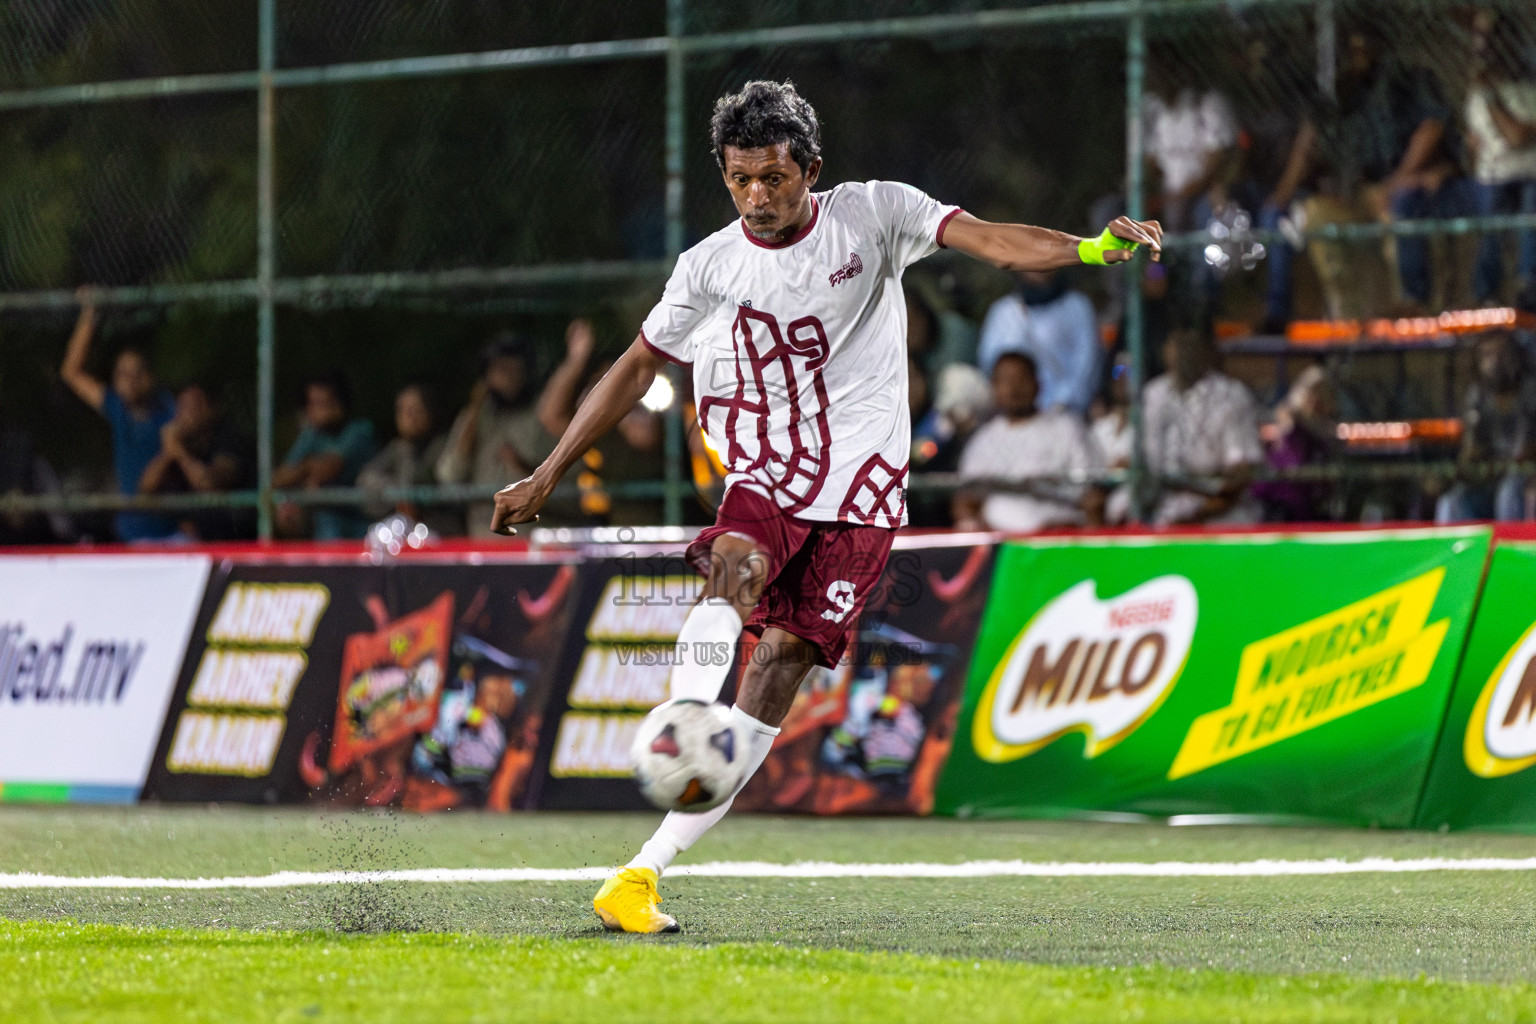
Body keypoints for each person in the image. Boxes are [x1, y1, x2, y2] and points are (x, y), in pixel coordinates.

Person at [488, 80, 1161, 933]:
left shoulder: (874, 214)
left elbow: (992, 242)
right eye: (739, 180)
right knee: (733, 569)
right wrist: (548, 472)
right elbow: (635, 365)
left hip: (863, 488)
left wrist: (1095, 249)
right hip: (768, 464)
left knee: (777, 671)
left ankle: (639, 875)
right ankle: (686, 713)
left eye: (774, 177)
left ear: (811, 167)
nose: (757, 197)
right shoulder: (708, 265)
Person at [1291, 26, 1462, 316]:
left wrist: (1394, 184)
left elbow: (1432, 128)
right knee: (1314, 212)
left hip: (1407, 186)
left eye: (1365, 48)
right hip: (1362, 193)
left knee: (1399, 206)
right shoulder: (1345, 95)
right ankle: (1346, 315)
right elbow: (1321, 148)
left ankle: (1408, 309)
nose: (1359, 58)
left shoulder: (1408, 80)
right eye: (1352, 51)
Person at [1110, 326, 1263, 526]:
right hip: (1161, 505)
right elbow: (1129, 461)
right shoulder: (1153, 394)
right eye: (1175, 343)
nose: (1181, 351)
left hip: (1217, 513)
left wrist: (1194, 501)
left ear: (1206, 350)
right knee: (1117, 507)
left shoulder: (1231, 395)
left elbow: (1239, 473)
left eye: (1188, 343)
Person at [58, 296, 178, 542]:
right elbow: (71, 372)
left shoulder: (169, 410)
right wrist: (90, 315)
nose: (130, 380)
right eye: (123, 374)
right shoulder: (117, 407)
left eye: (137, 373)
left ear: (150, 377)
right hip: (131, 534)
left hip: (172, 533)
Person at [951, 353, 1103, 532]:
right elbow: (966, 501)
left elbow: (1093, 493)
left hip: (1059, 536)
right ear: (994, 388)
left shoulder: (1067, 428)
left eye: (1021, 378)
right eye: (1005, 380)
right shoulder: (982, 441)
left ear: (1038, 384)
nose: (1014, 388)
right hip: (1000, 545)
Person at [437, 333, 557, 536]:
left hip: (531, 528)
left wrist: (522, 465)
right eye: (501, 370)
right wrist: (474, 408)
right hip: (483, 528)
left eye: (514, 370)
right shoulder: (475, 416)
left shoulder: (543, 414)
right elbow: (449, 476)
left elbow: (563, 481)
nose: (508, 377)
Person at [1465, 8, 1536, 307]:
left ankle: (1528, 285)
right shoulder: (1475, 95)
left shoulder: (1528, 92)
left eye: (1491, 37)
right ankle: (1486, 295)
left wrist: (1491, 98)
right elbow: (1475, 144)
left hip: (1529, 175)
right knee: (1490, 203)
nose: (1483, 46)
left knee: (1531, 206)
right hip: (1492, 180)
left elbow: (1516, 136)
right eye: (1478, 37)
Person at [1437, 331, 1536, 522]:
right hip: (1489, 475)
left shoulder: (1530, 391)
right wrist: (1465, 467)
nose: (1494, 363)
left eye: (1500, 354)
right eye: (1487, 355)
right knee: (1452, 501)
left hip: (1523, 476)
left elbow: (1529, 447)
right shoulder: (1479, 395)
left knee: (1508, 492)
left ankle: (1510, 547)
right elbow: (1471, 447)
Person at [976, 268, 1101, 415]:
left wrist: (1062, 405)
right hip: (1013, 415)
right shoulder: (1002, 311)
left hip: (1066, 413)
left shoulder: (1077, 306)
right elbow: (989, 365)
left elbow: (1086, 365)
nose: (1036, 267)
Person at [138, 382, 252, 540]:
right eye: (183, 407)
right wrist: (168, 452)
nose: (188, 413)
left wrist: (178, 451)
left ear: (213, 410)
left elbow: (208, 483)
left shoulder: (230, 439)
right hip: (191, 541)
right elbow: (146, 488)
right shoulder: (181, 443)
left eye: (196, 406)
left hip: (234, 540)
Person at [272, 371, 375, 540]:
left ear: (340, 402)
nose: (315, 409)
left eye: (323, 402)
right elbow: (279, 478)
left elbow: (327, 469)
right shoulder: (312, 435)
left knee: (328, 519)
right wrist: (307, 471)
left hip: (360, 521)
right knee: (285, 508)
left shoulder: (358, 431)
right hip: (324, 521)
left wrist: (304, 472)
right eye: (312, 403)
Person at [357, 383, 456, 537]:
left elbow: (443, 481)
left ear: (430, 412)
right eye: (403, 410)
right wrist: (398, 495)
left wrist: (415, 499)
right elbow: (366, 478)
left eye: (416, 410)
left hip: (441, 529)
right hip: (405, 529)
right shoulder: (398, 448)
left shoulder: (444, 444)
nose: (410, 417)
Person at [1252, 365, 1337, 522]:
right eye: (1312, 394)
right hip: (1279, 498)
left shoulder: (1324, 427)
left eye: (1320, 394)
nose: (1315, 400)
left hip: (1308, 502)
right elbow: (1289, 418)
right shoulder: (1290, 416)